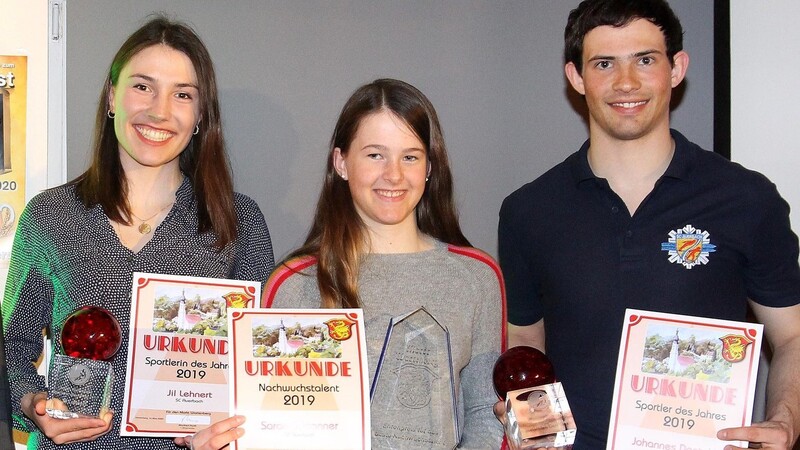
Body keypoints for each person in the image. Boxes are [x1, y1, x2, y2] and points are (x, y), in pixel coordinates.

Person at [498, 0, 800, 448]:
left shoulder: (746, 199)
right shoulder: (528, 210)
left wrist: (785, 420)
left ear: (676, 68)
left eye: (645, 59)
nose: (626, 82)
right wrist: (529, 420)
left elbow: (792, 334)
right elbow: (525, 338)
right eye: (604, 64)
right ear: (576, 78)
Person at [2, 15, 274, 450]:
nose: (160, 111)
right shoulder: (50, 215)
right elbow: (12, 347)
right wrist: (33, 405)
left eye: (182, 94)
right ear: (112, 96)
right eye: (142, 86)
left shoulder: (237, 220)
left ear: (201, 114)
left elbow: (261, 367)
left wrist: (227, 432)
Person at [260, 78, 505, 449]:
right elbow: (274, 424)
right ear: (341, 162)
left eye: (410, 156)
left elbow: (486, 412)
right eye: (375, 154)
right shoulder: (296, 282)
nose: (394, 175)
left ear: (430, 167)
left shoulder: (476, 278)